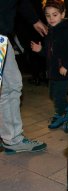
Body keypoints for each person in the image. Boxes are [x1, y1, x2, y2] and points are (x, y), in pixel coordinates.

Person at [0, 0, 48, 154]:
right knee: (11, 86)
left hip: (2, 37)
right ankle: (12, 138)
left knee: (11, 85)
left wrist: (33, 19)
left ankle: (12, 138)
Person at [31, 0, 68, 129]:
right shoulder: (51, 32)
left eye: (55, 15)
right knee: (53, 94)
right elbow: (50, 54)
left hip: (63, 71)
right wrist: (40, 50)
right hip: (53, 71)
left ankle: (61, 114)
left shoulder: (66, 32)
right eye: (48, 15)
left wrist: (66, 65)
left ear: (63, 14)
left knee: (58, 96)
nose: (51, 18)